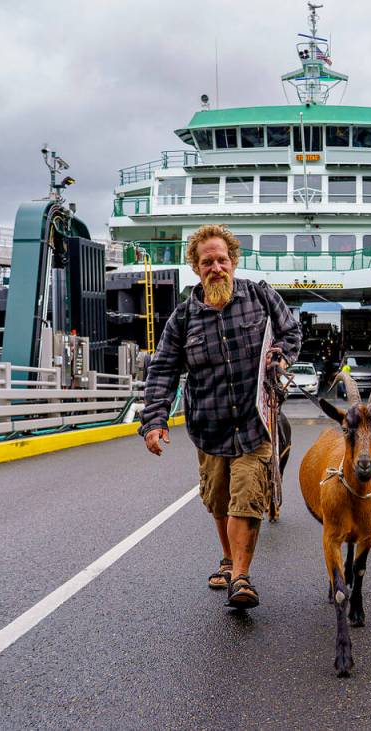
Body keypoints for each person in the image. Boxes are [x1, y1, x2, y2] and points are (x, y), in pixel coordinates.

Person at [140, 224, 301, 609]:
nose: (216, 267)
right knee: (219, 500)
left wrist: (279, 356)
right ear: (196, 268)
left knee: (247, 497)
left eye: (222, 260)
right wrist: (155, 420)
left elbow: (291, 332)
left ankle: (241, 576)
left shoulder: (260, 296)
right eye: (207, 261)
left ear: (234, 262)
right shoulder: (182, 319)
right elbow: (163, 369)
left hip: (254, 421)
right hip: (208, 426)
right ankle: (228, 559)